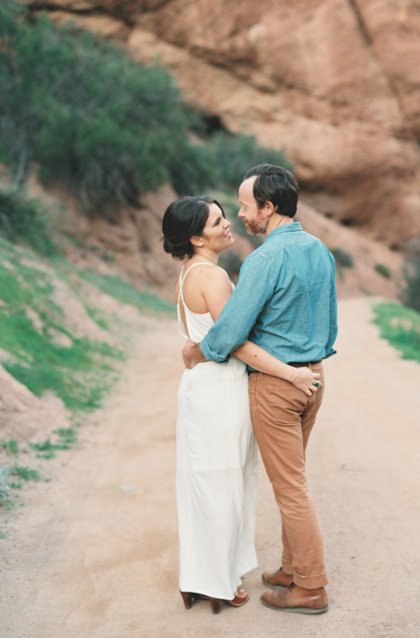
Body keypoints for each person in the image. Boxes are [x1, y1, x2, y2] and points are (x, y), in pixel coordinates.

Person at [181, 164, 338, 614]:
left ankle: (310, 587)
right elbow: (329, 323)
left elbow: (229, 332)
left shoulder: (264, 260)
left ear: (269, 208)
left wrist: (197, 350)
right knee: (296, 480)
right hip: (314, 377)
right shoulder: (320, 250)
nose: (240, 214)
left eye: (246, 206)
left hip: (276, 385)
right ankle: (291, 568)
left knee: (290, 488)